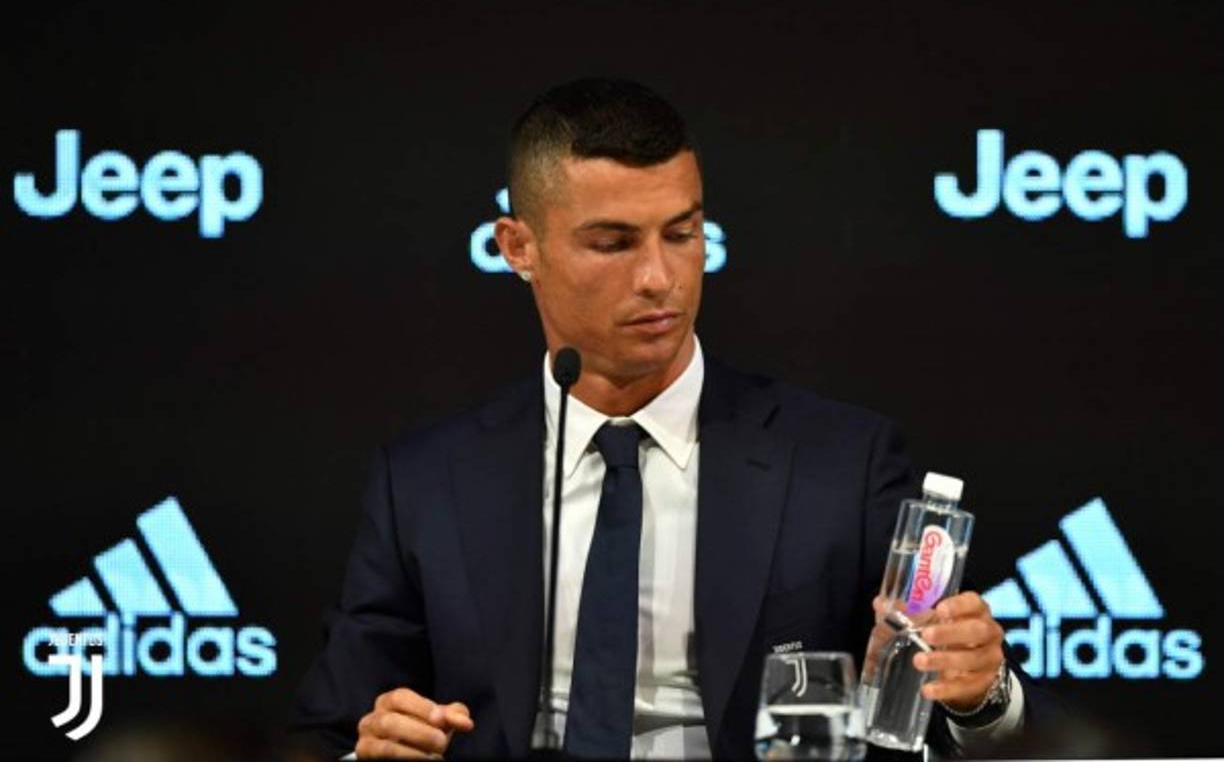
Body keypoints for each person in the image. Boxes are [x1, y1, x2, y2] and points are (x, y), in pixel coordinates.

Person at [293, 78, 1053, 759]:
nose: (659, 278)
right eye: (613, 242)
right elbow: (336, 727)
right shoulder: (427, 481)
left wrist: (980, 695)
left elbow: (966, 715)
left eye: (681, 234)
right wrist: (372, 751)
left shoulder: (839, 462)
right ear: (517, 247)